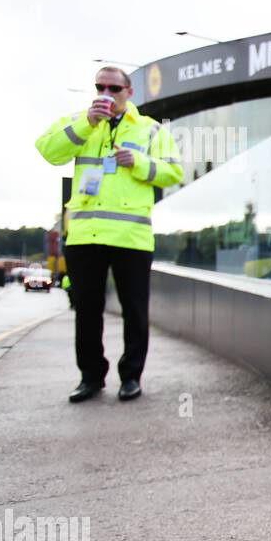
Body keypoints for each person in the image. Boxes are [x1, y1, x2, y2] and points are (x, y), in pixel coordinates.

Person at [35, 66, 183, 403]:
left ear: (129, 93)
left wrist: (140, 163)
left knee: (135, 310)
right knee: (87, 311)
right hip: (85, 235)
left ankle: (131, 377)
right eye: (100, 86)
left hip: (131, 236)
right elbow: (47, 150)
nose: (106, 93)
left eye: (114, 88)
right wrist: (86, 122)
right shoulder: (82, 122)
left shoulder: (151, 130)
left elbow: (173, 171)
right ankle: (90, 377)